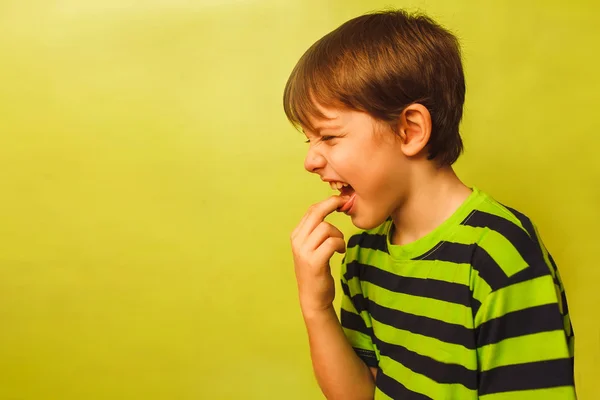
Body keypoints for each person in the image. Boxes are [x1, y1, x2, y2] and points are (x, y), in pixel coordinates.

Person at [283, 9, 576, 400]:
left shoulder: (498, 253)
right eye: (309, 142)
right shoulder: (362, 257)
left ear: (410, 130)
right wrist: (316, 307)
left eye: (330, 137)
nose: (311, 161)